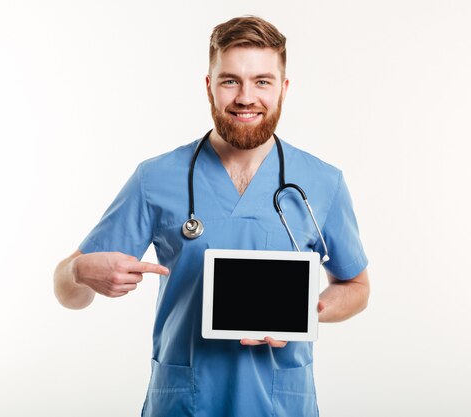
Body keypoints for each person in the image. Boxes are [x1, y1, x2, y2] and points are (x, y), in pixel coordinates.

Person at [54, 15, 370, 417]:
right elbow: (67, 291)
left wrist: (310, 310)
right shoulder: (156, 178)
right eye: (230, 80)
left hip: (279, 404)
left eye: (262, 81)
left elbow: (357, 286)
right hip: (185, 403)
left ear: (283, 89)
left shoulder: (323, 183)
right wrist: (79, 273)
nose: (245, 96)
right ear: (209, 86)